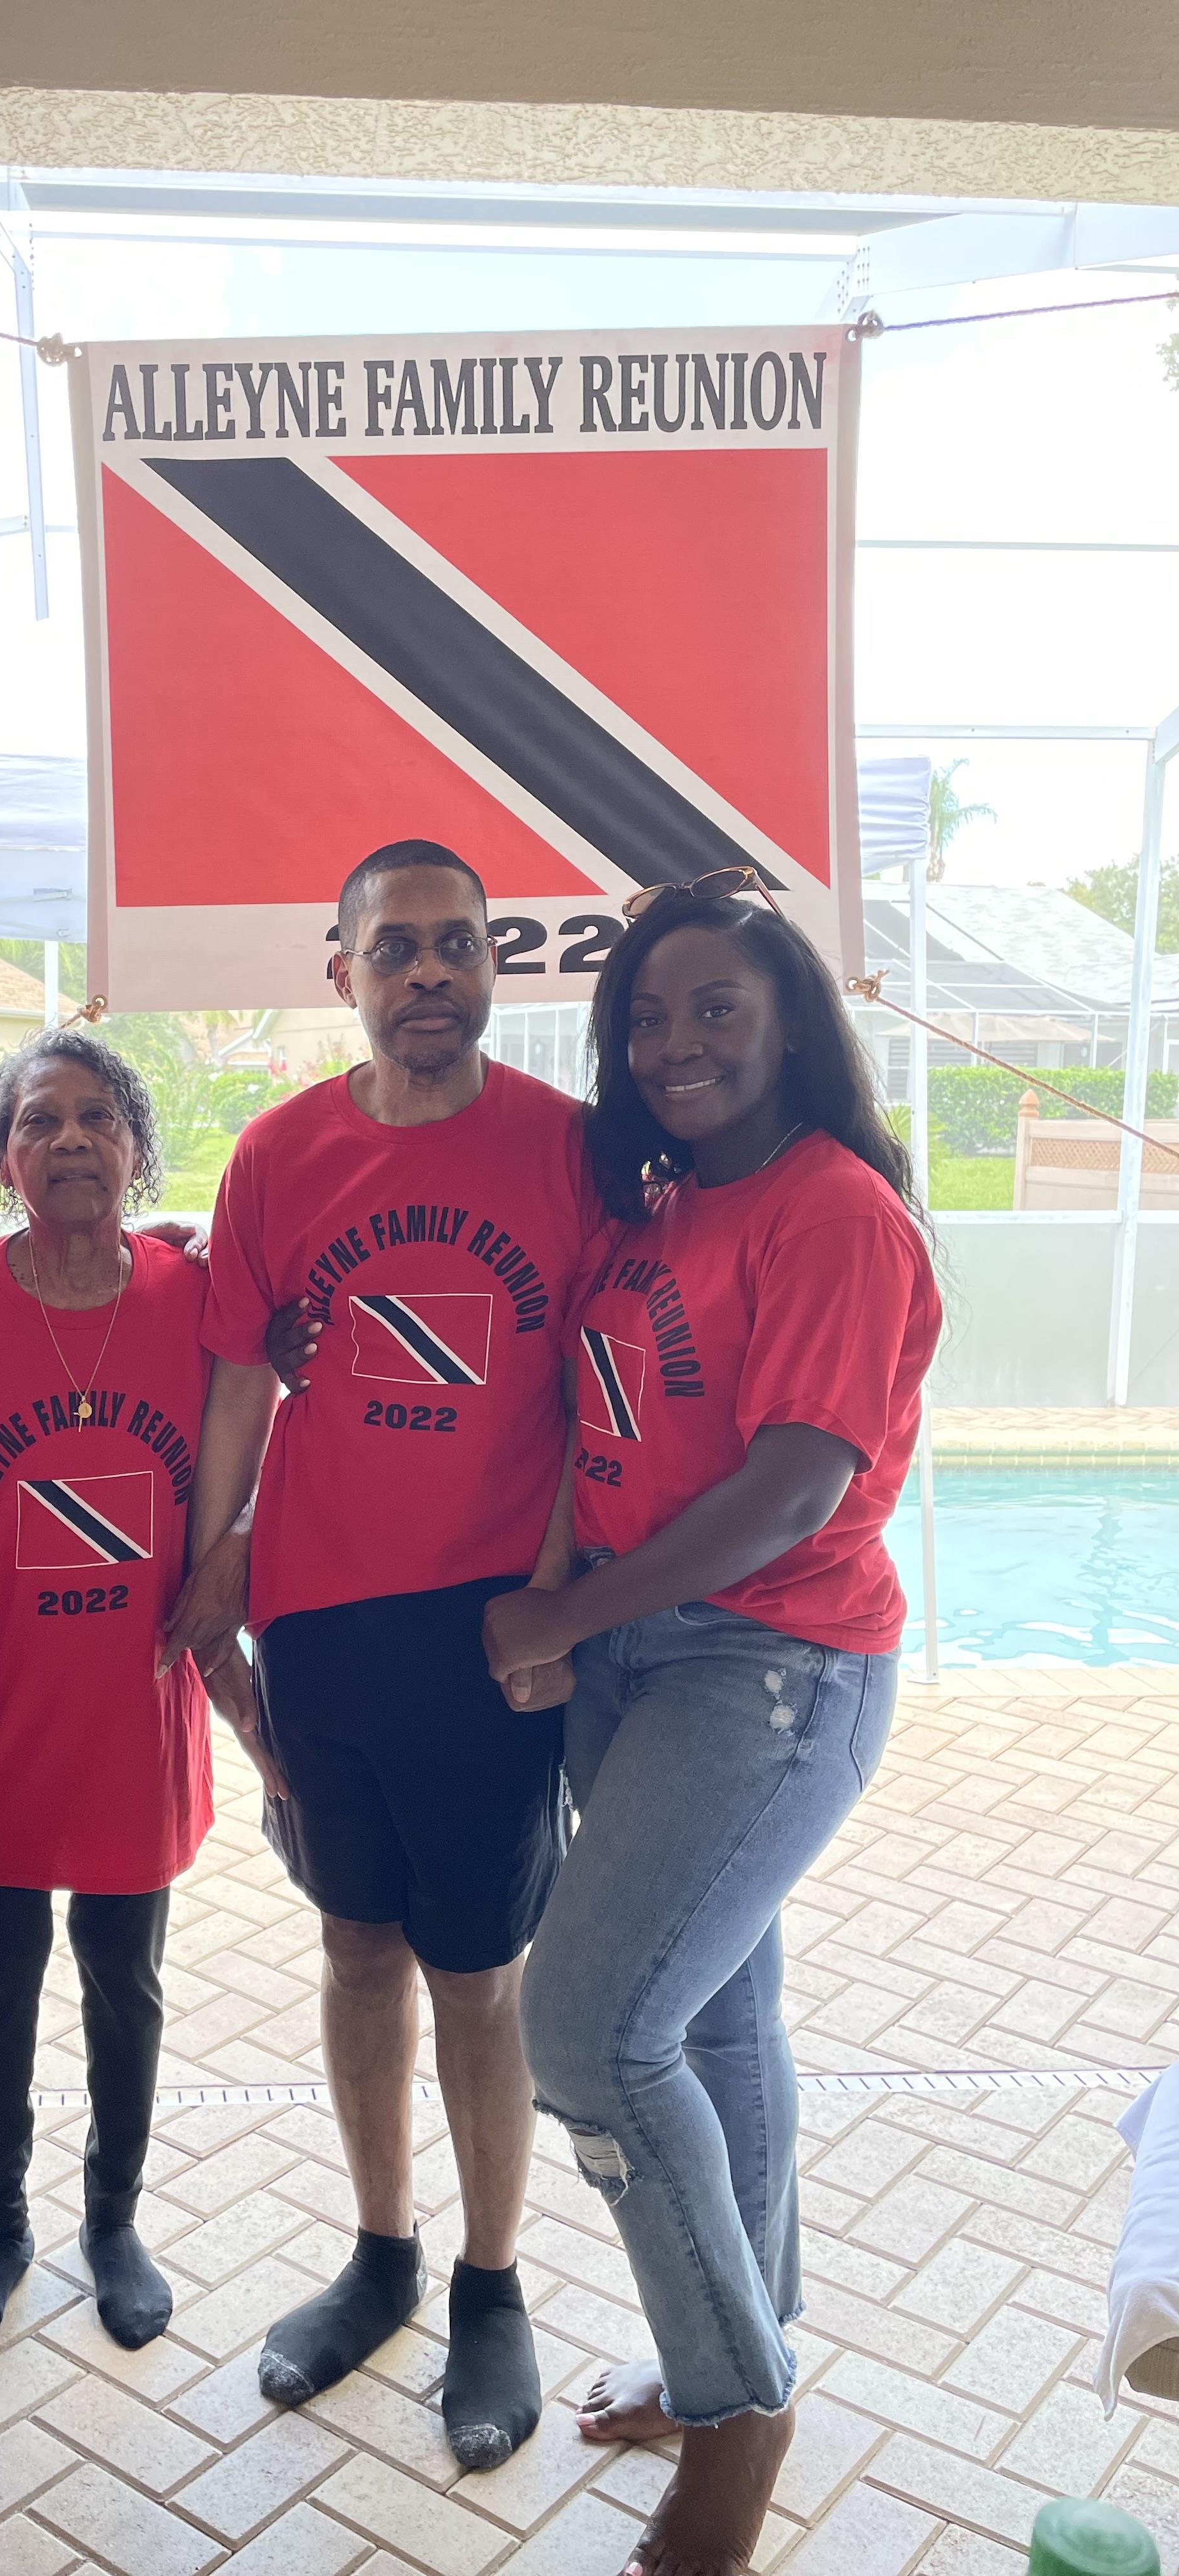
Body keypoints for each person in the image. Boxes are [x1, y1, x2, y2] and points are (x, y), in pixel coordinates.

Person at [482, 875, 941, 2576]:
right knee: (719, 2030)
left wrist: (561, 1617)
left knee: (590, 2036)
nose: (674, 1044)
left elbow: (793, 1485)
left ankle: (738, 2436)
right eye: (646, 1019)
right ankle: (726, 2354)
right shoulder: (666, 1208)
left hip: (766, 1671)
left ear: (787, 1027)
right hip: (640, 1665)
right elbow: (594, 1424)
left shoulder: (829, 1212)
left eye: (714, 1012)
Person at [178, 839, 590, 2472]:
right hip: (323, 1624)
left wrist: (551, 1602)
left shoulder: (570, 1151)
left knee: (479, 1977)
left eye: (459, 946)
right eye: (398, 948)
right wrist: (221, 1552)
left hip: (487, 1631)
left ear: (496, 966)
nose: (430, 974)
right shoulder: (277, 1158)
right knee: (355, 1951)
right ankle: (383, 2253)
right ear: (339, 969)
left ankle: (493, 2286)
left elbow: (597, 1394)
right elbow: (236, 1379)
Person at [0, 1029, 270, 2368]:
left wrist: (235, 1579)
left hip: (135, 1711)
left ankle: (114, 2223)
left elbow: (268, 1415)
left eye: (97, 1120)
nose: (69, 1141)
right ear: (4, 1159)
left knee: (126, 1981)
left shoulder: (190, 1295)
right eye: (40, 1123)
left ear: (135, 1147)